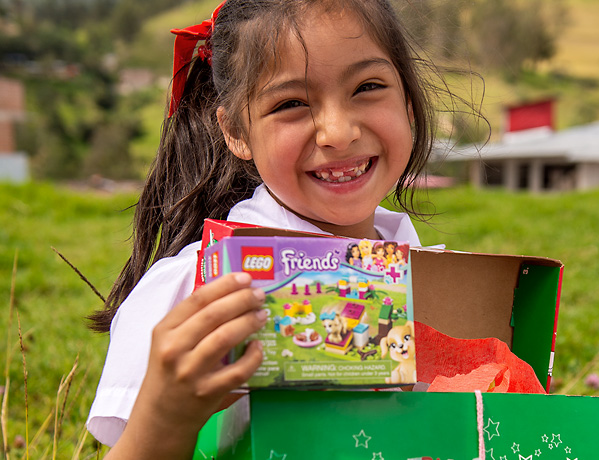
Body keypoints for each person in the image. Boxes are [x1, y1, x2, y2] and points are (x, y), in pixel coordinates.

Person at [85, 0, 455, 458]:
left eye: (368, 86)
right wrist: (166, 413)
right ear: (236, 131)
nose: (337, 133)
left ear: (408, 100)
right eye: (292, 103)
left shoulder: (437, 279)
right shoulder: (197, 291)